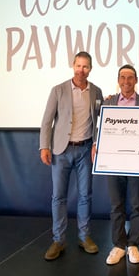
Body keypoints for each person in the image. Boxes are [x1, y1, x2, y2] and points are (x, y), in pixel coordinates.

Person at [39, 51, 103, 261]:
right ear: (72, 66)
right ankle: (58, 240)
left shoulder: (97, 92)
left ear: (90, 69)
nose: (81, 70)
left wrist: (95, 143)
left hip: (85, 150)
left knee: (86, 195)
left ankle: (84, 237)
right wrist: (44, 147)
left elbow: (100, 120)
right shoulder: (58, 90)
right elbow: (47, 121)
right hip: (61, 151)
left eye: (85, 67)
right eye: (78, 66)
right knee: (59, 196)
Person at [102, 64, 139, 265]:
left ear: (136, 80)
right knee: (116, 205)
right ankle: (118, 245)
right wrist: (97, 145)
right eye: (122, 77)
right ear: (118, 80)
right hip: (113, 162)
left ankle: (133, 244)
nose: (126, 81)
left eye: (130, 77)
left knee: (136, 205)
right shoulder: (109, 103)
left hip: (137, 164)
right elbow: (102, 129)